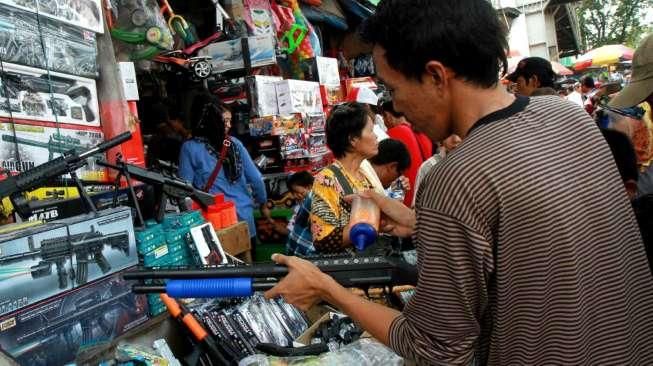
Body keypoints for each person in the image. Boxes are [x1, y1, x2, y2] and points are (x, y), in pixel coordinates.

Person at [263, 1, 653, 365]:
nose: (395, 107)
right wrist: (421, 222)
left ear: (435, 76)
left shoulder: (455, 177)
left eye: (394, 89)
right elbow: (534, 234)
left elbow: (437, 350)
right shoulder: (568, 117)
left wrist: (326, 287)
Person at [178, 95, 270, 249]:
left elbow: (184, 191)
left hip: (214, 225)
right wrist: (263, 204)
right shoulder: (235, 144)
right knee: (250, 267)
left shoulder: (189, 148)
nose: (228, 125)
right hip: (244, 219)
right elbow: (256, 179)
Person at [309, 102, 380, 254]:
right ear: (353, 139)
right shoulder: (327, 180)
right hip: (347, 272)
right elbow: (324, 239)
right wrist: (366, 224)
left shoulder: (363, 174)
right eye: (371, 130)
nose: (376, 136)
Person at [381, 100, 432, 205]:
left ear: (388, 116)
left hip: (406, 195)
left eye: (383, 118)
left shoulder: (391, 135)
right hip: (426, 193)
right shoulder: (421, 131)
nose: (384, 122)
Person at [412, 134, 461, 207]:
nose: (456, 139)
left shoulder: (474, 163)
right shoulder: (428, 167)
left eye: (458, 132)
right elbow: (416, 205)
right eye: (449, 134)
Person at [283, 171, 316, 256]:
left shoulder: (314, 201)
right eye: (293, 193)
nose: (295, 196)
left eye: (298, 192)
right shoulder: (299, 207)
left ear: (309, 187)